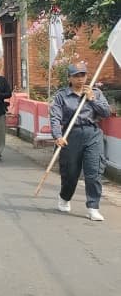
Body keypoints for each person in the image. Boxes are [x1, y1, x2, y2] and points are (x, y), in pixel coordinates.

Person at [50, 62, 112, 221]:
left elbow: (105, 112)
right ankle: (64, 197)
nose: (80, 79)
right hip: (71, 135)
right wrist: (58, 136)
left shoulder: (96, 93)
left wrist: (92, 99)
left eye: (82, 75)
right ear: (69, 78)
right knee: (70, 173)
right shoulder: (62, 96)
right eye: (76, 76)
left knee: (93, 172)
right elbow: (55, 117)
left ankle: (93, 207)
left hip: (92, 134)